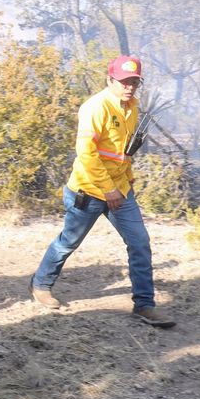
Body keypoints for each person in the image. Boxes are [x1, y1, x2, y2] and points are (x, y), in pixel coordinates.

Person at [30, 55, 174, 328]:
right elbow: (86, 153)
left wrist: (127, 180)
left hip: (120, 191)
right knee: (68, 242)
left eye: (134, 82)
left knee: (140, 243)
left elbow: (123, 152)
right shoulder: (95, 107)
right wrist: (108, 190)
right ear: (110, 80)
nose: (129, 87)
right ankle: (40, 285)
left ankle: (144, 305)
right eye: (123, 81)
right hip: (89, 190)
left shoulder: (133, 107)